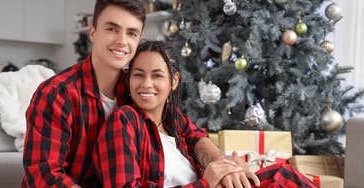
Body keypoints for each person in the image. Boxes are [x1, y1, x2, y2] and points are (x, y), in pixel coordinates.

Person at [22, 0, 259, 187]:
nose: (122, 41)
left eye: (132, 33)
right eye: (112, 29)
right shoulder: (57, 94)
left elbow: (189, 132)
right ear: (93, 32)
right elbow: (43, 176)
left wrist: (223, 164)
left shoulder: (137, 87)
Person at [93, 41, 260, 187]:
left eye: (157, 75)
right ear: (129, 79)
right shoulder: (124, 120)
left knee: (280, 173)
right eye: (138, 75)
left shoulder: (173, 121)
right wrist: (204, 184)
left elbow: (198, 138)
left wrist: (226, 165)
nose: (146, 84)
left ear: (173, 81)